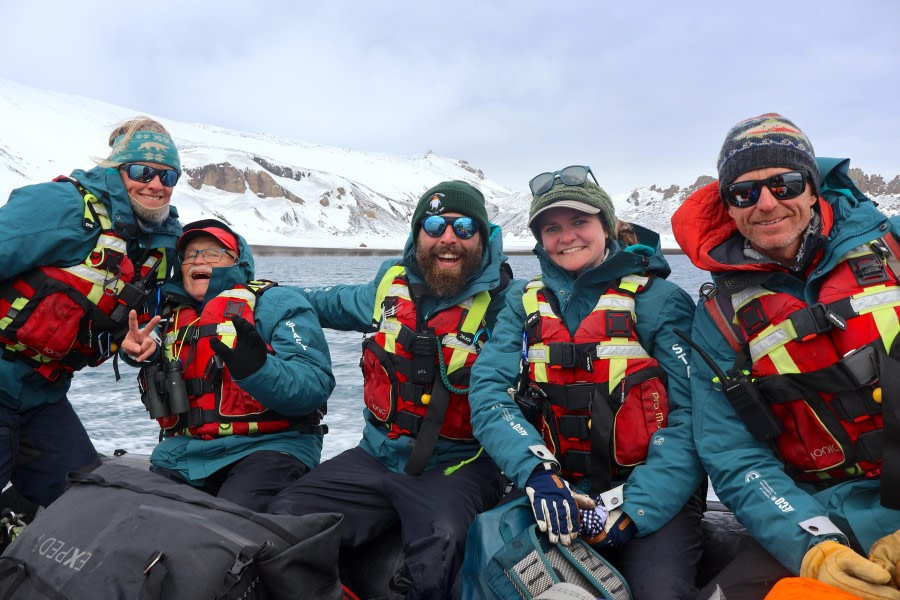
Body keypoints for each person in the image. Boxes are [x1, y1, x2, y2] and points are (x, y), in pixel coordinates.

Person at [671, 113, 900, 600]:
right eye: (744, 192)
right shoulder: (718, 317)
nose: (767, 204)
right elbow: (733, 453)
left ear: (813, 188)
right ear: (728, 207)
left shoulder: (894, 248)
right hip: (821, 513)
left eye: (785, 183)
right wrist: (814, 547)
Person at [268, 180, 518, 599]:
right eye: (435, 226)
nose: (448, 240)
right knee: (284, 520)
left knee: (439, 554)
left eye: (464, 228)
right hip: (376, 457)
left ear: (484, 237)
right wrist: (263, 294)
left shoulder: (510, 306)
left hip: (458, 467)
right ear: (418, 234)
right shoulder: (389, 287)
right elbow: (326, 302)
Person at [465, 166, 706, 600]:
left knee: (658, 591)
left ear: (607, 226)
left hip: (651, 493)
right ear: (540, 240)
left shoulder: (661, 302)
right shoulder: (524, 304)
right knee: (485, 570)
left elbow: (694, 418)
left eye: (580, 222)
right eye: (552, 228)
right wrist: (536, 471)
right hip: (557, 491)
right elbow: (488, 394)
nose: (567, 236)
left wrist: (633, 511)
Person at [0, 117, 182, 508]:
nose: (155, 184)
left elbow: (131, 318)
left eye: (168, 177)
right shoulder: (61, 206)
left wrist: (131, 344)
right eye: (142, 171)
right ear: (117, 170)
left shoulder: (157, 245)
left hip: (42, 396)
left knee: (85, 509)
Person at [121, 219, 334, 512]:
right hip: (183, 452)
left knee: (230, 521)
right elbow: (148, 348)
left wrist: (258, 369)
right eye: (191, 255)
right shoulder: (167, 317)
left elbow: (314, 386)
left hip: (269, 447)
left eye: (212, 253)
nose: (199, 260)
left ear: (237, 262)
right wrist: (138, 352)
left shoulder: (277, 303)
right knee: (139, 516)